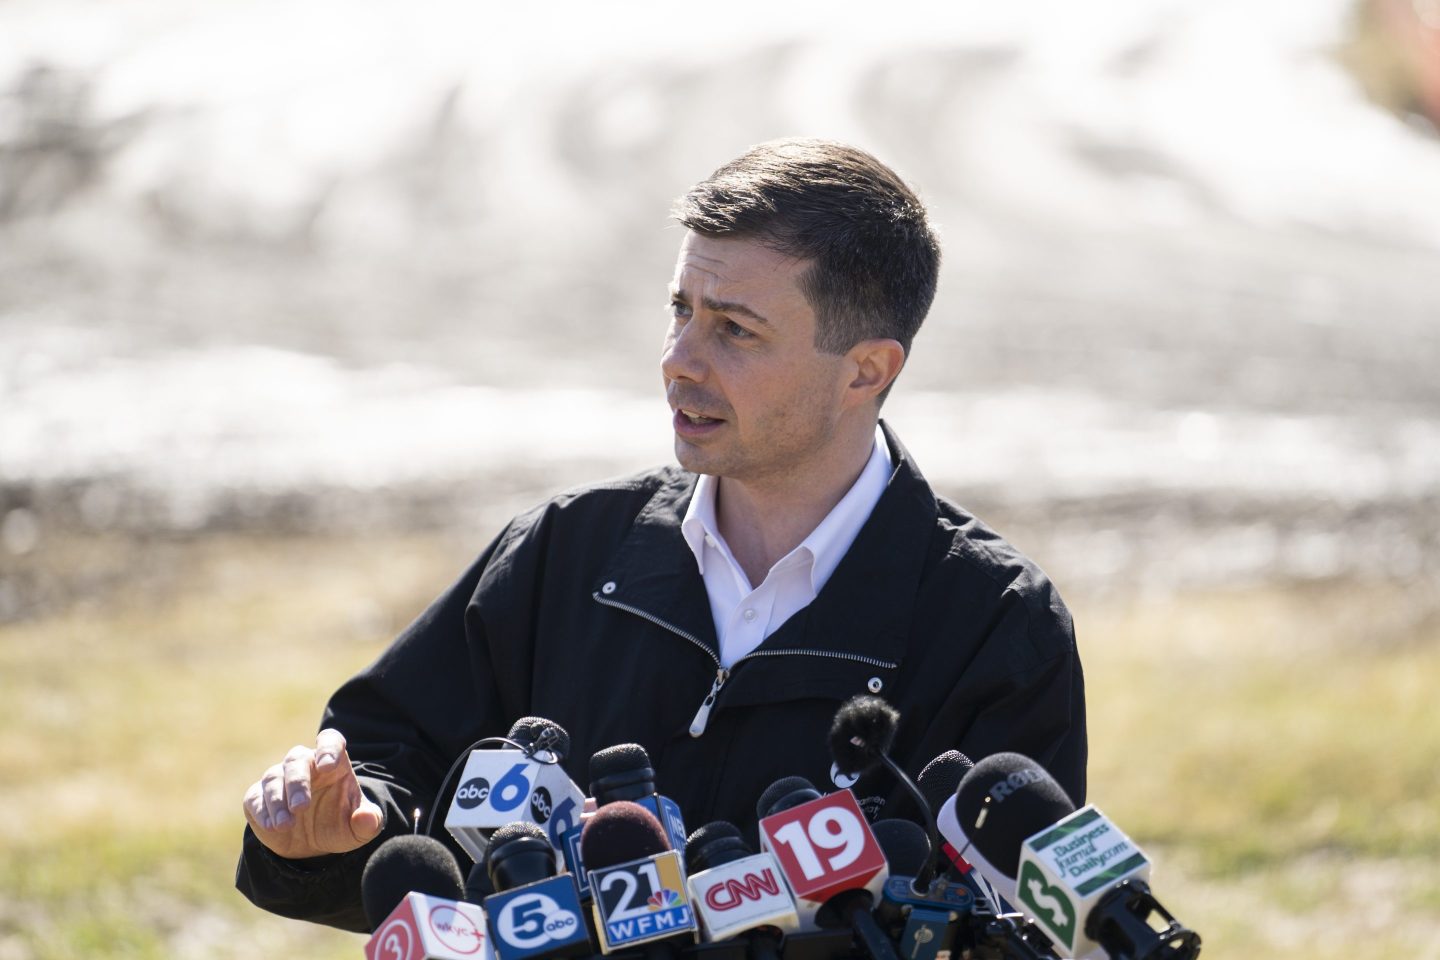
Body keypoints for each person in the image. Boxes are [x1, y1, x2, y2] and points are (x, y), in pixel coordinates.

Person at [236, 138, 1086, 932]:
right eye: (680, 309)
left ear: (867, 369)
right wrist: (329, 835)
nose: (680, 358)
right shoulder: (564, 550)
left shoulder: (998, 625)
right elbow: (387, 770)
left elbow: (1015, 924)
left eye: (734, 329)